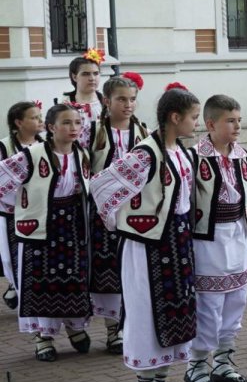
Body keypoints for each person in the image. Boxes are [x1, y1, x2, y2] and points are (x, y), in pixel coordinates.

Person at [92, 86, 202, 382]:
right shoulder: (146, 154)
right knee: (146, 311)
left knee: (174, 310)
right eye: (193, 118)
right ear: (175, 117)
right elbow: (101, 185)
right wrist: (121, 221)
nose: (195, 124)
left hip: (177, 242)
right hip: (148, 246)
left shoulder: (181, 152)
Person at [0, 104, 92, 363]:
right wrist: (18, 207)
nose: (73, 128)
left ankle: (75, 327)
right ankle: (42, 336)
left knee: (72, 278)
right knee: (40, 282)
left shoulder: (81, 154)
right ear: (51, 128)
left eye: (77, 122)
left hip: (72, 225)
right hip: (41, 228)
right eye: (66, 123)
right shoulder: (31, 155)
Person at [185, 95, 247, 382]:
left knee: (235, 302)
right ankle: (198, 364)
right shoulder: (194, 157)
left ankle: (224, 361)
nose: (237, 126)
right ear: (210, 124)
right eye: (231, 121)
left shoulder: (242, 155)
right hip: (209, 240)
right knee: (209, 306)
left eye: (239, 120)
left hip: (238, 237)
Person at [88, 75, 149, 354]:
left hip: (135, 215)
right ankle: (113, 329)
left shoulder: (143, 132)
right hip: (102, 216)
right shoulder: (93, 132)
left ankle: (130, 324)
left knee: (133, 271)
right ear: (106, 101)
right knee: (107, 272)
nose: (128, 105)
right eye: (121, 99)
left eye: (132, 99)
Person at [1, 101, 43, 310]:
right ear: (19, 122)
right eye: (34, 117)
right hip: (12, 213)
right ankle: (16, 286)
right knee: (13, 257)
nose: (40, 121)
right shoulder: (5, 147)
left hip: (42, 212)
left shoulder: (46, 144)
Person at [57, 50, 104, 141]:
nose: (92, 78)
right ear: (74, 77)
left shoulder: (106, 102)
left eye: (96, 73)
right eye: (86, 74)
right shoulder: (64, 103)